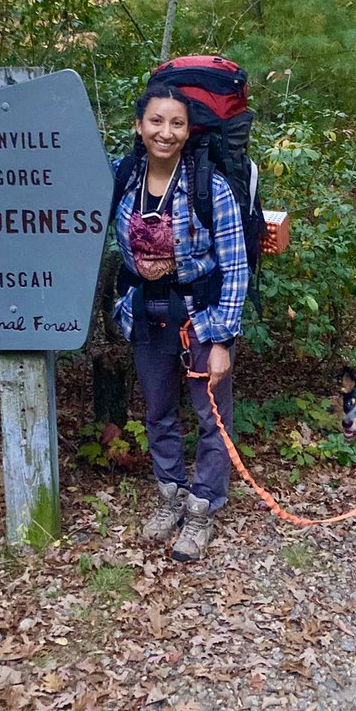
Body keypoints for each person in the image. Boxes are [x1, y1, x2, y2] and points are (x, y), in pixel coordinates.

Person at [113, 84, 249, 561]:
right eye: (155, 121)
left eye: (176, 123)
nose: (164, 132)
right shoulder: (123, 177)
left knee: (211, 419)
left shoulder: (208, 186)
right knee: (157, 413)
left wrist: (223, 340)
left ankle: (202, 510)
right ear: (139, 126)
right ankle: (170, 496)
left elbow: (234, 268)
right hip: (146, 316)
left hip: (201, 318)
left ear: (189, 131)